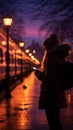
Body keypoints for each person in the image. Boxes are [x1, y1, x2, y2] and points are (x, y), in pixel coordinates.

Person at [35, 33, 72, 130]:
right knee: (56, 119)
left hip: (50, 93)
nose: (45, 50)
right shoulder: (59, 57)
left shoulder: (51, 58)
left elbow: (49, 78)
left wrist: (38, 74)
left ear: (49, 47)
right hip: (57, 92)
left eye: (46, 47)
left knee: (53, 121)